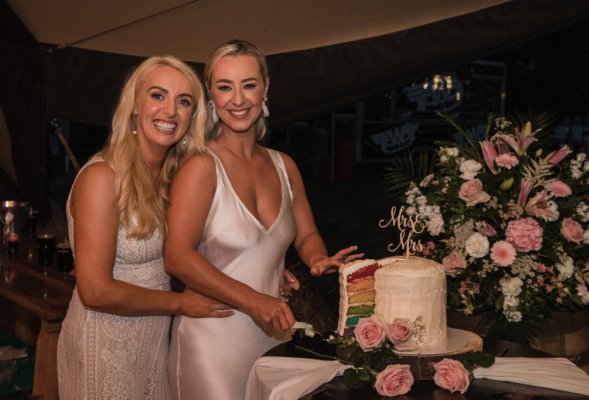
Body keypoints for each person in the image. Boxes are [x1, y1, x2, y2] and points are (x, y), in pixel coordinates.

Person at [164, 40, 362, 400]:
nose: (238, 100)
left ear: (265, 87)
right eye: (225, 87)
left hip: (274, 339)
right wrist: (254, 301)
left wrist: (318, 259)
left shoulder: (285, 166)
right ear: (211, 93)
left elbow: (307, 235)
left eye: (248, 85)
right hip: (212, 341)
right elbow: (177, 256)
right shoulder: (200, 167)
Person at [56, 55, 234, 400]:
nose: (170, 110)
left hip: (153, 341)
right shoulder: (101, 178)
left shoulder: (172, 176)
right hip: (104, 345)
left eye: (183, 101)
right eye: (157, 95)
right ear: (134, 105)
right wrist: (180, 304)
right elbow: (94, 290)